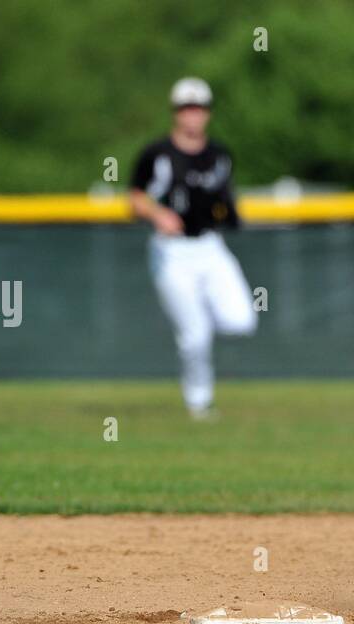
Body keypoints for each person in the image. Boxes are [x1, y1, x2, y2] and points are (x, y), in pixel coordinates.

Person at [129, 77, 255, 419]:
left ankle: (197, 313)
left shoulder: (219, 155)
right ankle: (199, 401)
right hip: (172, 251)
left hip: (210, 247)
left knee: (241, 319)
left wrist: (230, 214)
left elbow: (224, 198)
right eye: (187, 108)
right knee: (195, 333)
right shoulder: (157, 154)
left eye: (199, 108)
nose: (193, 115)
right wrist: (158, 214)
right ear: (176, 113)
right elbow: (136, 197)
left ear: (208, 113)